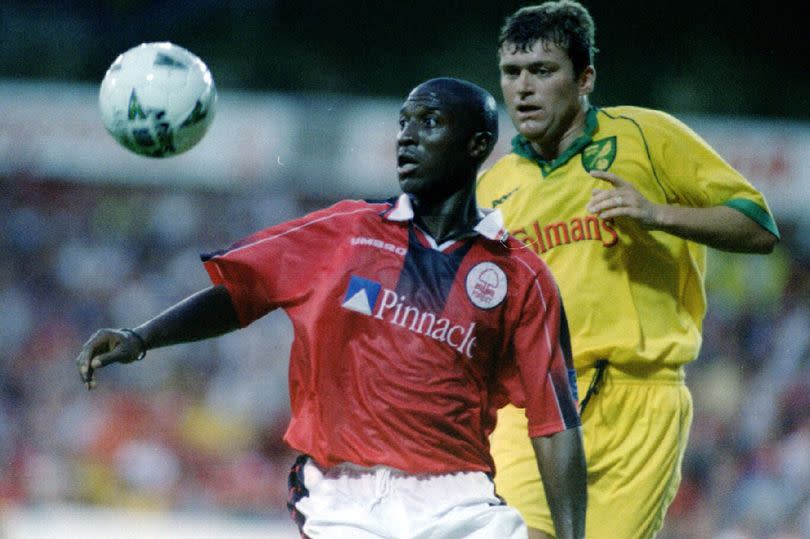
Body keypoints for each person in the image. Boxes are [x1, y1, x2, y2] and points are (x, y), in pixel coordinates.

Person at [76, 77, 587, 539]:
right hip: (346, 496)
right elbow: (244, 292)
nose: (406, 136)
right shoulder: (345, 231)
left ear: (477, 144)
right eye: (402, 122)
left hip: (460, 502)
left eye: (428, 122)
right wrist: (142, 338)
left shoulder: (522, 277)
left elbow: (555, 421)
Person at [476, 2, 780, 538]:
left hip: (640, 402)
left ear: (585, 77)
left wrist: (657, 214)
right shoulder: (493, 186)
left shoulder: (647, 137)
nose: (523, 88)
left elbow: (757, 226)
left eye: (543, 71)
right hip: (530, 411)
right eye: (512, 72)